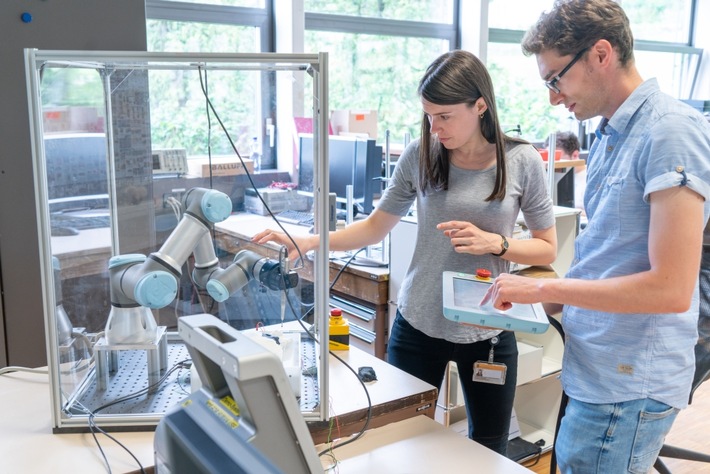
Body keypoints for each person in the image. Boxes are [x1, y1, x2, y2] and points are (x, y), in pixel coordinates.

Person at [253, 49, 558, 456]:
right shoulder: (421, 153)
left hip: (489, 328)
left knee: (489, 447)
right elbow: (377, 225)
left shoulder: (521, 161)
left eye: (445, 116)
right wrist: (311, 242)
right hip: (418, 322)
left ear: (480, 106)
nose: (435, 127)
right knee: (401, 440)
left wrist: (497, 243)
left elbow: (547, 246)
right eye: (429, 116)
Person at [482, 1, 710, 472]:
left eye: (555, 79)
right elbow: (611, 254)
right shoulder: (609, 134)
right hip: (597, 367)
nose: (553, 97)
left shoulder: (670, 133)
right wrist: (552, 300)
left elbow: (670, 288)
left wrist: (545, 287)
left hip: (627, 382)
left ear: (601, 54)